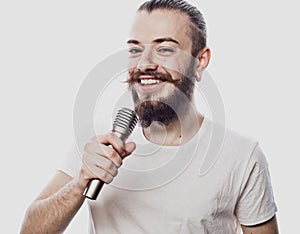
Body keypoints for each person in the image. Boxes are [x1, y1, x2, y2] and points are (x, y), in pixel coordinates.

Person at [21, 0, 279, 233]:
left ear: (200, 61)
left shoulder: (242, 155)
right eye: (135, 50)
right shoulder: (98, 140)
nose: (144, 63)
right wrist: (79, 183)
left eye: (165, 49)